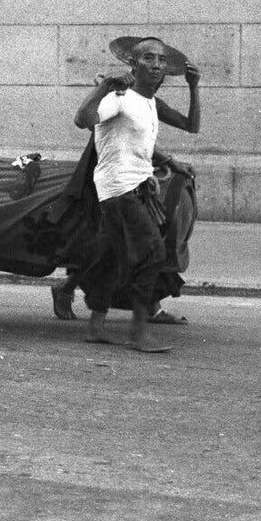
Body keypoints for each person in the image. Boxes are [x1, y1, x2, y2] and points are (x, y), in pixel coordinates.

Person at [73, 36, 202, 352]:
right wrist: (103, 88)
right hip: (119, 190)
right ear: (133, 64)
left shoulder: (149, 103)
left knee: (115, 257)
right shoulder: (119, 97)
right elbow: (82, 119)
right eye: (148, 58)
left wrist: (193, 87)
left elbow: (192, 126)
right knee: (153, 254)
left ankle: (96, 326)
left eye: (160, 60)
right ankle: (138, 331)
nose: (156, 65)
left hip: (135, 187)